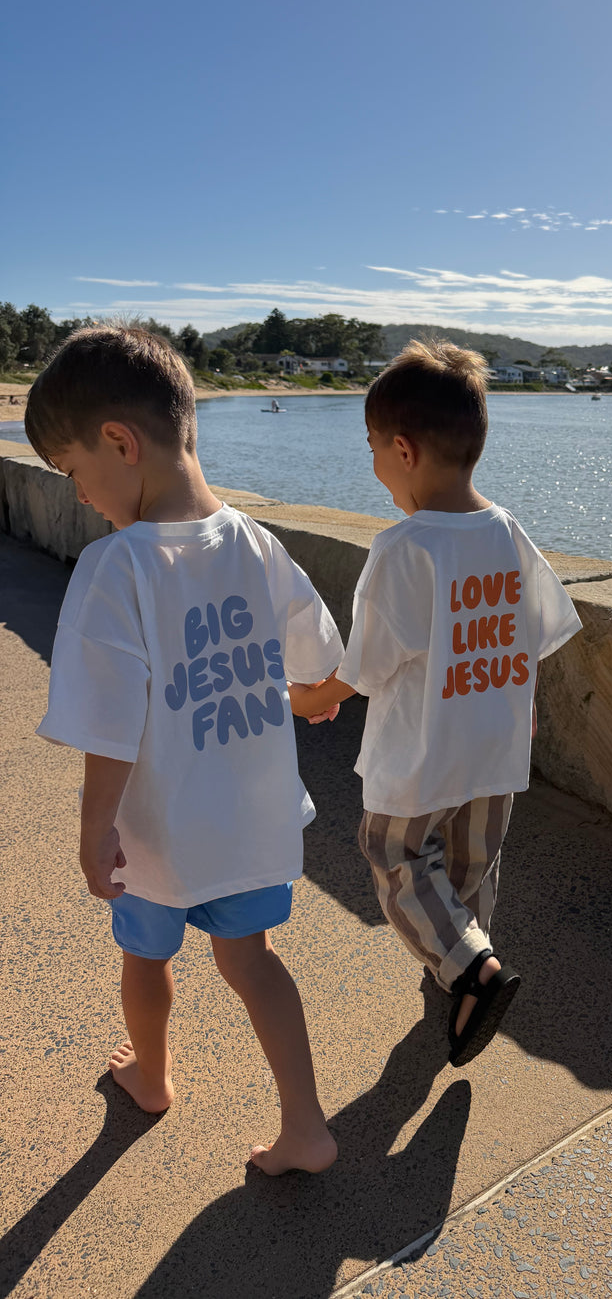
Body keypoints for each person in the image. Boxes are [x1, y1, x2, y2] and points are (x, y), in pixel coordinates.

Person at [25, 324, 343, 1175]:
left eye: (75, 473)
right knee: (253, 964)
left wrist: (95, 831)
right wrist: (302, 701)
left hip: (160, 840)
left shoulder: (115, 569)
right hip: (253, 830)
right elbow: (322, 667)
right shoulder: (259, 544)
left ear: (120, 443)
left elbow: (109, 727)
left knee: (145, 956)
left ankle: (154, 1077)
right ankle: (307, 1125)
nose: (83, 496)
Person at [289, 340, 582, 1066]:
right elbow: (536, 635)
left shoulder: (404, 549)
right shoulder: (508, 530)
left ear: (402, 448)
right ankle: (458, 973)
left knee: (394, 854)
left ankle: (472, 970)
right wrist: (523, 714)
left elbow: (364, 667)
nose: (376, 467)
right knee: (468, 869)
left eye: (373, 451)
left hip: (424, 752)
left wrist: (310, 699)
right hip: (496, 744)